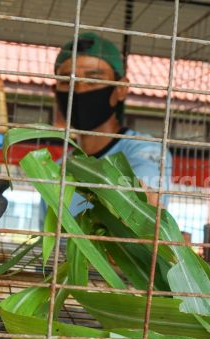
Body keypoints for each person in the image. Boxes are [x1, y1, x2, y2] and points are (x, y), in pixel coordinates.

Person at [44, 32, 172, 218]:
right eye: (67, 81)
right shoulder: (55, 169)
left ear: (120, 89)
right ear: (55, 91)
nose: (79, 89)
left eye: (93, 79)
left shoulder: (147, 151)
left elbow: (141, 211)